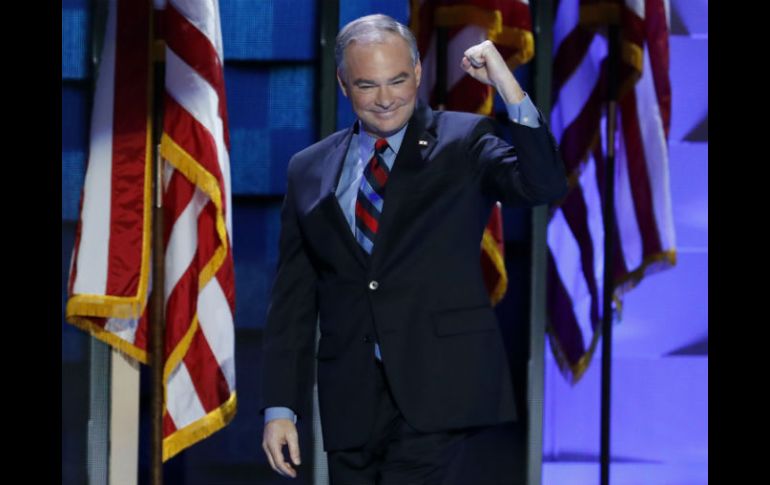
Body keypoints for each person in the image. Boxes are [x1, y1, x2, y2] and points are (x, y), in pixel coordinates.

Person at [259, 13, 567, 485]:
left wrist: (509, 89)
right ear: (343, 84)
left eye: (398, 80)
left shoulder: (464, 141)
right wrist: (281, 407)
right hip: (351, 405)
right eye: (367, 85)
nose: (385, 99)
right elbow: (292, 301)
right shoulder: (308, 168)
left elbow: (543, 183)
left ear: (419, 72)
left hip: (439, 394)